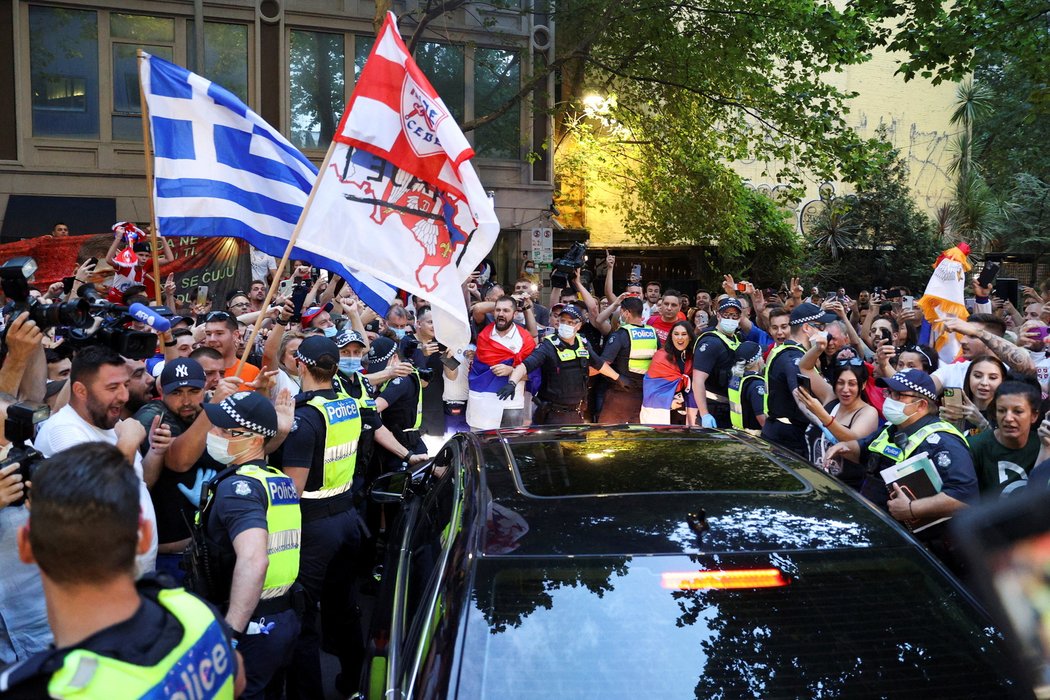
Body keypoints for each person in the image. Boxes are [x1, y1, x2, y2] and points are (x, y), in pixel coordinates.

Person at [1, 443, 244, 698]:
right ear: (144, 535)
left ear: (26, 546)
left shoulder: (40, 688)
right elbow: (237, 678)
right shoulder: (191, 610)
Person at [275, 336, 424, 696]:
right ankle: (355, 680)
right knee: (344, 607)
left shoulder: (303, 418)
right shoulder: (346, 403)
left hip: (312, 525)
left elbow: (291, 491)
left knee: (304, 615)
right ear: (335, 367)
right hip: (347, 518)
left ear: (300, 365)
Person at [190, 391, 299, 698]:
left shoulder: (238, 490)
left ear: (251, 439)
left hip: (252, 624)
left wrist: (231, 633)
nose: (212, 434)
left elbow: (255, 560)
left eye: (223, 431)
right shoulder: (276, 479)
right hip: (281, 619)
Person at [824, 369, 977, 569]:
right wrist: (842, 448)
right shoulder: (892, 428)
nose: (890, 399)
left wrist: (912, 509)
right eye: (890, 393)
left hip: (917, 553)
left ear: (921, 405)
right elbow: (863, 449)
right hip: (878, 536)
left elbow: (964, 497)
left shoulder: (944, 441)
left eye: (899, 395)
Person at [33, 346, 159, 577]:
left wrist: (157, 451)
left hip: (135, 579)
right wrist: (130, 443)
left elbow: (138, 485)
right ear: (80, 390)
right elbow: (96, 497)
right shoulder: (63, 431)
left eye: (125, 384)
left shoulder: (110, 422)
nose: (124, 396)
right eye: (112, 387)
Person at [132, 358, 218, 582]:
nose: (186, 400)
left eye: (194, 391)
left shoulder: (211, 408)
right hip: (164, 558)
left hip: (206, 551)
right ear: (161, 390)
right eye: (177, 393)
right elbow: (180, 460)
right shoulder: (152, 415)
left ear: (205, 387)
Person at [502, 305, 606, 424]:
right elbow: (526, 365)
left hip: (576, 411)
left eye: (570, 322)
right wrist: (512, 381)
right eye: (561, 320)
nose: (565, 325)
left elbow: (599, 364)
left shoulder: (583, 343)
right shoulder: (546, 343)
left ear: (578, 325)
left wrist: (618, 378)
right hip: (547, 409)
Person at [760, 302, 838, 457]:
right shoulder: (793, 358)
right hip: (788, 439)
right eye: (820, 326)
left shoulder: (787, 352)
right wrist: (830, 429)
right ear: (807, 328)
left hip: (780, 431)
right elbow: (802, 400)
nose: (825, 331)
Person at [795, 359, 880, 490]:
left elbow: (853, 443)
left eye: (852, 384)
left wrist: (821, 414)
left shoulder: (868, 412)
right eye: (840, 383)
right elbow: (805, 366)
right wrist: (819, 346)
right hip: (813, 484)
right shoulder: (831, 397)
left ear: (862, 385)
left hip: (845, 492)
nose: (845, 389)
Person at [467, 296, 537, 430]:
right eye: (497, 310)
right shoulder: (483, 333)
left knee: (509, 447)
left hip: (510, 405)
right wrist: (510, 298)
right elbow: (477, 308)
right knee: (480, 446)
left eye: (506, 310)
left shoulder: (525, 339)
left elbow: (533, 375)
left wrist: (511, 370)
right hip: (481, 401)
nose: (501, 314)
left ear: (515, 314)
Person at [970, 381, 1042, 497]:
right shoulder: (975, 447)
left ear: (1034, 416)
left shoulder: (1041, 445)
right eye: (1001, 410)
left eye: (1018, 412)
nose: (1008, 418)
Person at [597, 296, 657, 423]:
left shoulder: (621, 334)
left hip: (620, 395)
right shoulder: (652, 333)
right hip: (644, 395)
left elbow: (604, 363)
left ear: (626, 313)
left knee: (608, 436)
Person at [692, 297, 747, 428]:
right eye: (726, 315)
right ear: (718, 315)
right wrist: (705, 414)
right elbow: (697, 380)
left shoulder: (737, 339)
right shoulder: (710, 342)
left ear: (740, 318)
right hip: (714, 409)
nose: (730, 319)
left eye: (734, 315)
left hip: (732, 410)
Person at [641, 321, 695, 425]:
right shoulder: (660, 357)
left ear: (690, 337)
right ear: (671, 337)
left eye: (684, 334)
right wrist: (669, 402)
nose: (680, 338)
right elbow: (650, 390)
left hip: (687, 410)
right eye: (676, 334)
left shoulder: (693, 356)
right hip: (665, 410)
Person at [941, 355, 1006, 435]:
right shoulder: (958, 411)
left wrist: (982, 423)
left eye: (992, 377)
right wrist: (945, 425)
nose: (984, 382)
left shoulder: (1006, 414)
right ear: (968, 378)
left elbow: (1002, 445)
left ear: (1003, 381)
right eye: (978, 376)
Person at [203, 311, 261, 388]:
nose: (212, 339)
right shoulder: (197, 369)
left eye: (219, 333)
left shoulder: (252, 372)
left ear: (235, 335)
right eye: (208, 334)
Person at [727, 340, 766, 434]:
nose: (763, 359)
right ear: (756, 360)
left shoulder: (736, 380)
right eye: (761, 356)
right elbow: (761, 417)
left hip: (739, 432)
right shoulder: (756, 384)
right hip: (756, 436)